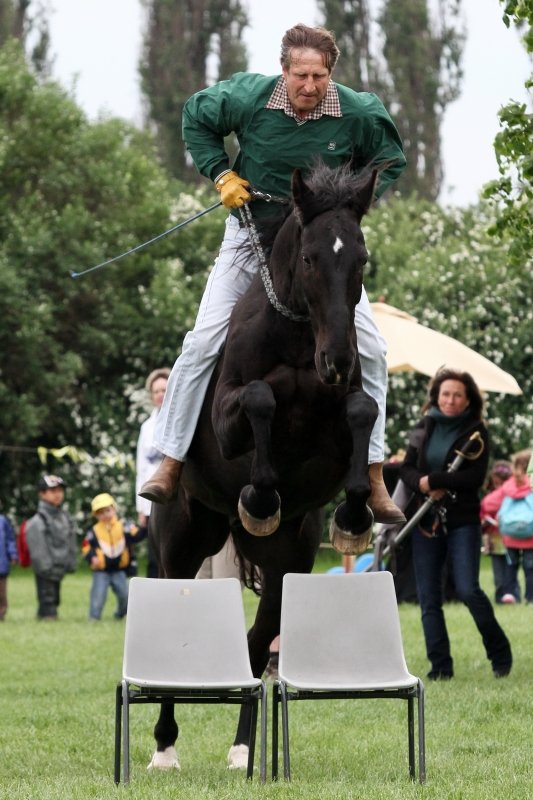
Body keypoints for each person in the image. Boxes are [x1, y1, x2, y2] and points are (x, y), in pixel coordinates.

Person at [140, 23, 407, 526]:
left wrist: (349, 205)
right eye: (301, 75)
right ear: (284, 70)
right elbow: (194, 117)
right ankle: (171, 460)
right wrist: (221, 173)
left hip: (319, 249)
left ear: (332, 73)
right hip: (251, 236)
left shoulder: (360, 111)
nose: (310, 86)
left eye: (320, 76)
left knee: (372, 348)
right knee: (201, 342)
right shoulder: (247, 96)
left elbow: (390, 161)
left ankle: (372, 475)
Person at [400, 368, 512, 680]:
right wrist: (423, 484)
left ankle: (500, 654)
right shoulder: (424, 427)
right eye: (445, 393)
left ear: (467, 400)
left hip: (462, 521)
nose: (450, 400)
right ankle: (440, 667)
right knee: (428, 598)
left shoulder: (476, 431)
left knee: (467, 589)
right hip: (425, 523)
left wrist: (436, 479)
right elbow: (406, 470)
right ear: (436, 396)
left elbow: (474, 479)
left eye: (457, 395)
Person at [82, 493, 145, 621]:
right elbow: (86, 547)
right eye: (100, 513)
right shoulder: (93, 530)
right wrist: (91, 558)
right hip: (101, 570)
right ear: (95, 515)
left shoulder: (124, 525)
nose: (105, 515)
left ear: (114, 509)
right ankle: (94, 618)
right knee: (98, 596)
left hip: (119, 570)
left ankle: (120, 614)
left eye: (108, 510)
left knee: (125, 595)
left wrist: (144, 526)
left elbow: (137, 535)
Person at [482, 449, 533, 604]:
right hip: (530, 534)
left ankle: (509, 593)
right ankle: (530, 597)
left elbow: (488, 503)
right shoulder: (531, 485)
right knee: (530, 568)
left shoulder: (509, 486)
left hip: (509, 536)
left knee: (511, 565)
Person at [25, 475, 78, 620]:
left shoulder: (64, 517)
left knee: (55, 598)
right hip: (47, 569)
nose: (58, 494)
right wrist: (46, 567)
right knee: (47, 598)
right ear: (41, 494)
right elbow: (38, 549)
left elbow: (70, 540)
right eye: (52, 490)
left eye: (60, 490)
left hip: (59, 566)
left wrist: (70, 562)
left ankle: (50, 615)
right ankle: (46, 617)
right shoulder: (38, 521)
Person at [135, 367, 171, 577]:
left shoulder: (178, 421)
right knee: (152, 554)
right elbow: (141, 467)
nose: (160, 395)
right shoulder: (146, 427)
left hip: (173, 494)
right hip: (150, 499)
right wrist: (141, 507)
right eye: (156, 391)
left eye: (164, 390)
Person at [480, 459, 520, 603]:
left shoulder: (514, 497)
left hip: (510, 540)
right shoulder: (489, 499)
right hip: (495, 541)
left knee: (511, 570)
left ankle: (514, 595)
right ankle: (500, 597)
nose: (499, 487)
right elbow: (483, 519)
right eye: (496, 484)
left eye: (501, 484)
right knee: (498, 574)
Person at [0, 513, 18, 620]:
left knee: (1, 592)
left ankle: (1, 613)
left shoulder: (3, 521)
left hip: (1, 565)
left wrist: (13, 555)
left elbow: (10, 539)